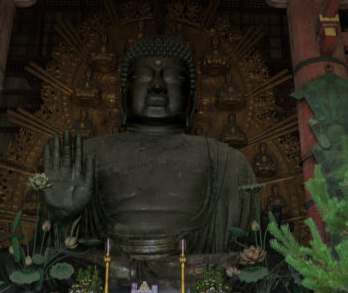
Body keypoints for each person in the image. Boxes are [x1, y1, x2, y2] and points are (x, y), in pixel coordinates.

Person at [43, 35, 258, 260]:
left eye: (173, 78)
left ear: (192, 98)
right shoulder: (85, 157)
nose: (157, 87)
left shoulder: (228, 163)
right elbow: (51, 254)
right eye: (142, 77)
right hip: (105, 273)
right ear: (122, 95)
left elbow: (249, 253)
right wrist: (62, 218)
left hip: (197, 275)